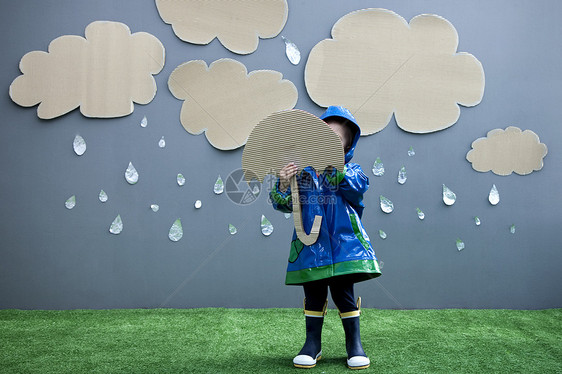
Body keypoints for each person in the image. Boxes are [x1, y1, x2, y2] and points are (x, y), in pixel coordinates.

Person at [269, 106, 381, 370]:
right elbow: (285, 205)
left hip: (345, 248)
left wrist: (335, 169)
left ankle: (354, 344)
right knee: (314, 295)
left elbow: (356, 189)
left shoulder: (352, 172)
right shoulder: (304, 176)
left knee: (344, 294)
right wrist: (284, 184)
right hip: (312, 248)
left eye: (335, 140)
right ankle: (312, 344)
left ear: (347, 147)